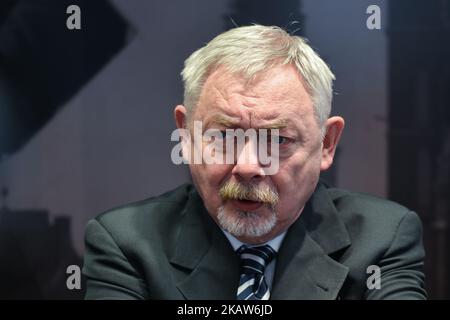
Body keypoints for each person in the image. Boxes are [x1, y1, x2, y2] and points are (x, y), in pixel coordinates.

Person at [82, 25, 426, 300]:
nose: (247, 166)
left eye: (277, 141)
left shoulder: (383, 239)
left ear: (326, 143)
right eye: (223, 137)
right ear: (186, 136)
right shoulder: (127, 243)